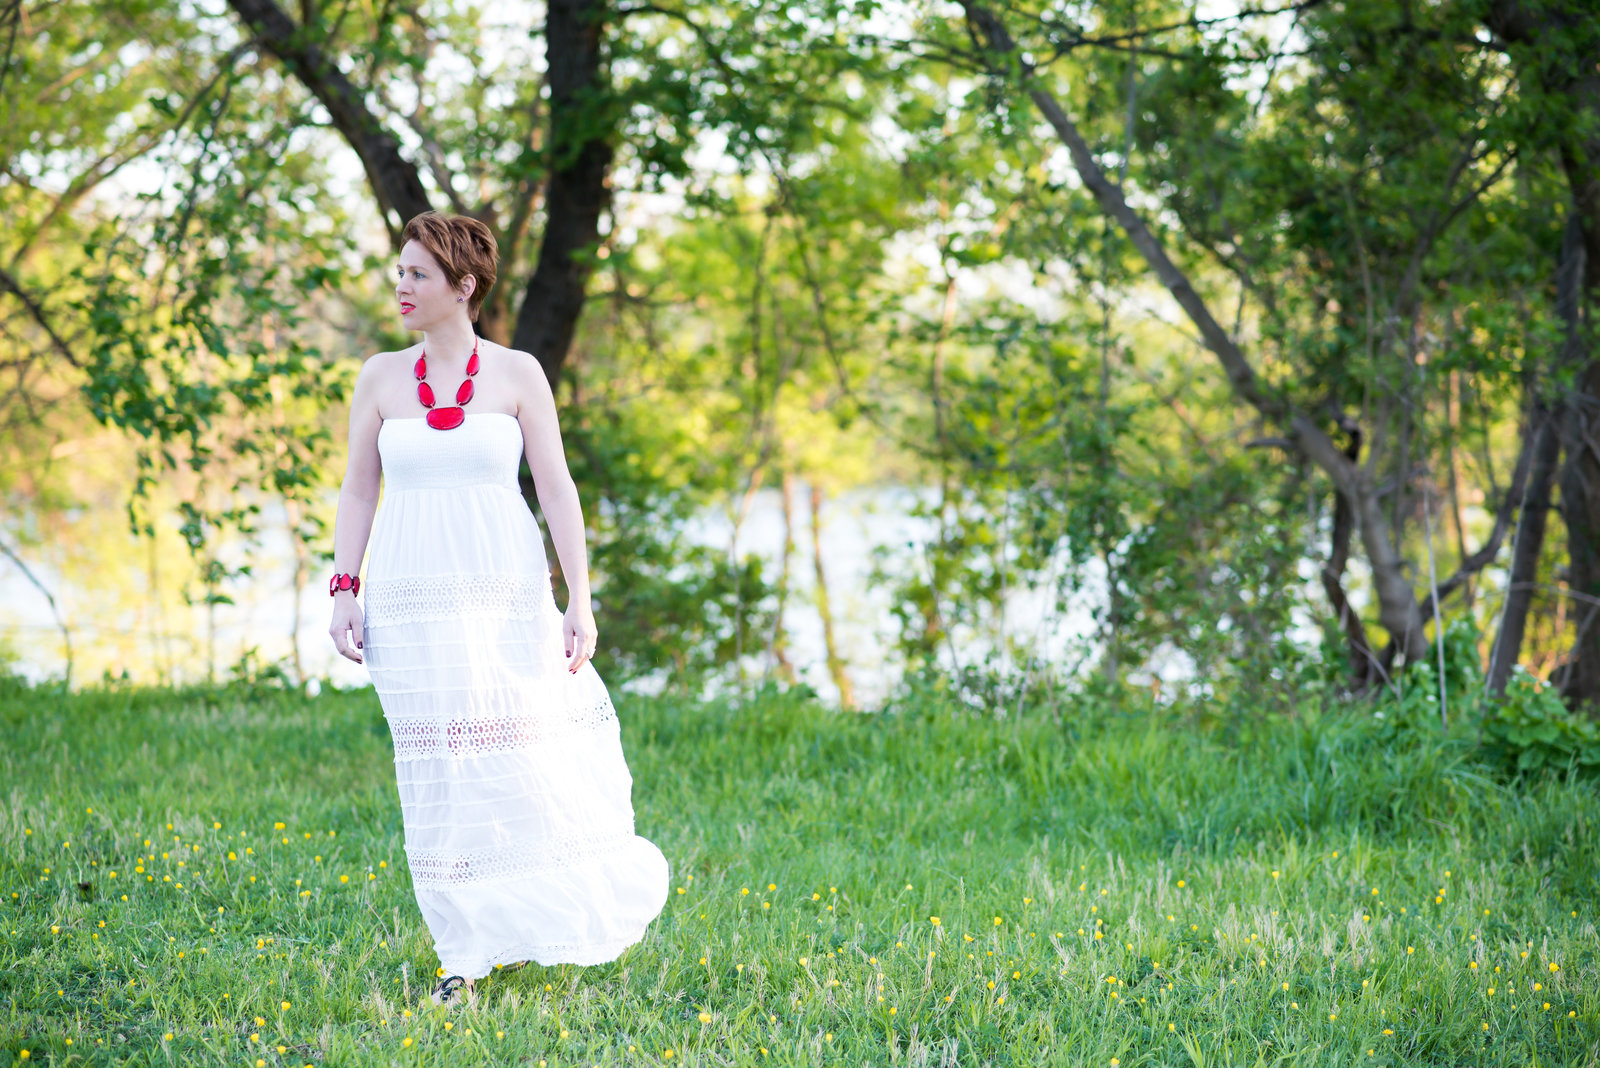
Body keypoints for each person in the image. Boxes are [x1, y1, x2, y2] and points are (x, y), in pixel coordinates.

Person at [327, 211, 669, 1006]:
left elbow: (557, 489)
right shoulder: (380, 377)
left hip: (506, 594)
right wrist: (344, 591)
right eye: (401, 272)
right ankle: (461, 950)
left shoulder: (518, 375)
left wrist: (579, 597)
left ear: (463, 286)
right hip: (410, 600)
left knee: (519, 748)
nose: (402, 286)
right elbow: (357, 488)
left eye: (418, 274)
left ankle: (518, 917)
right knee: (437, 766)